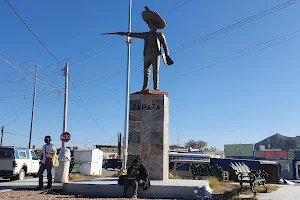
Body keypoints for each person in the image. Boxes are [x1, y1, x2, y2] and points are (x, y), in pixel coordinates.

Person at [115, 6, 174, 91]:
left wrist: (167, 55)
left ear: (155, 25)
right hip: (146, 54)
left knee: (155, 72)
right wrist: (124, 33)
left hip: (155, 54)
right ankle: (144, 87)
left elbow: (165, 46)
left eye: (150, 23)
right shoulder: (145, 34)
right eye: (148, 23)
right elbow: (134, 34)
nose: (148, 24)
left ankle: (156, 87)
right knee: (146, 72)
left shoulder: (160, 35)